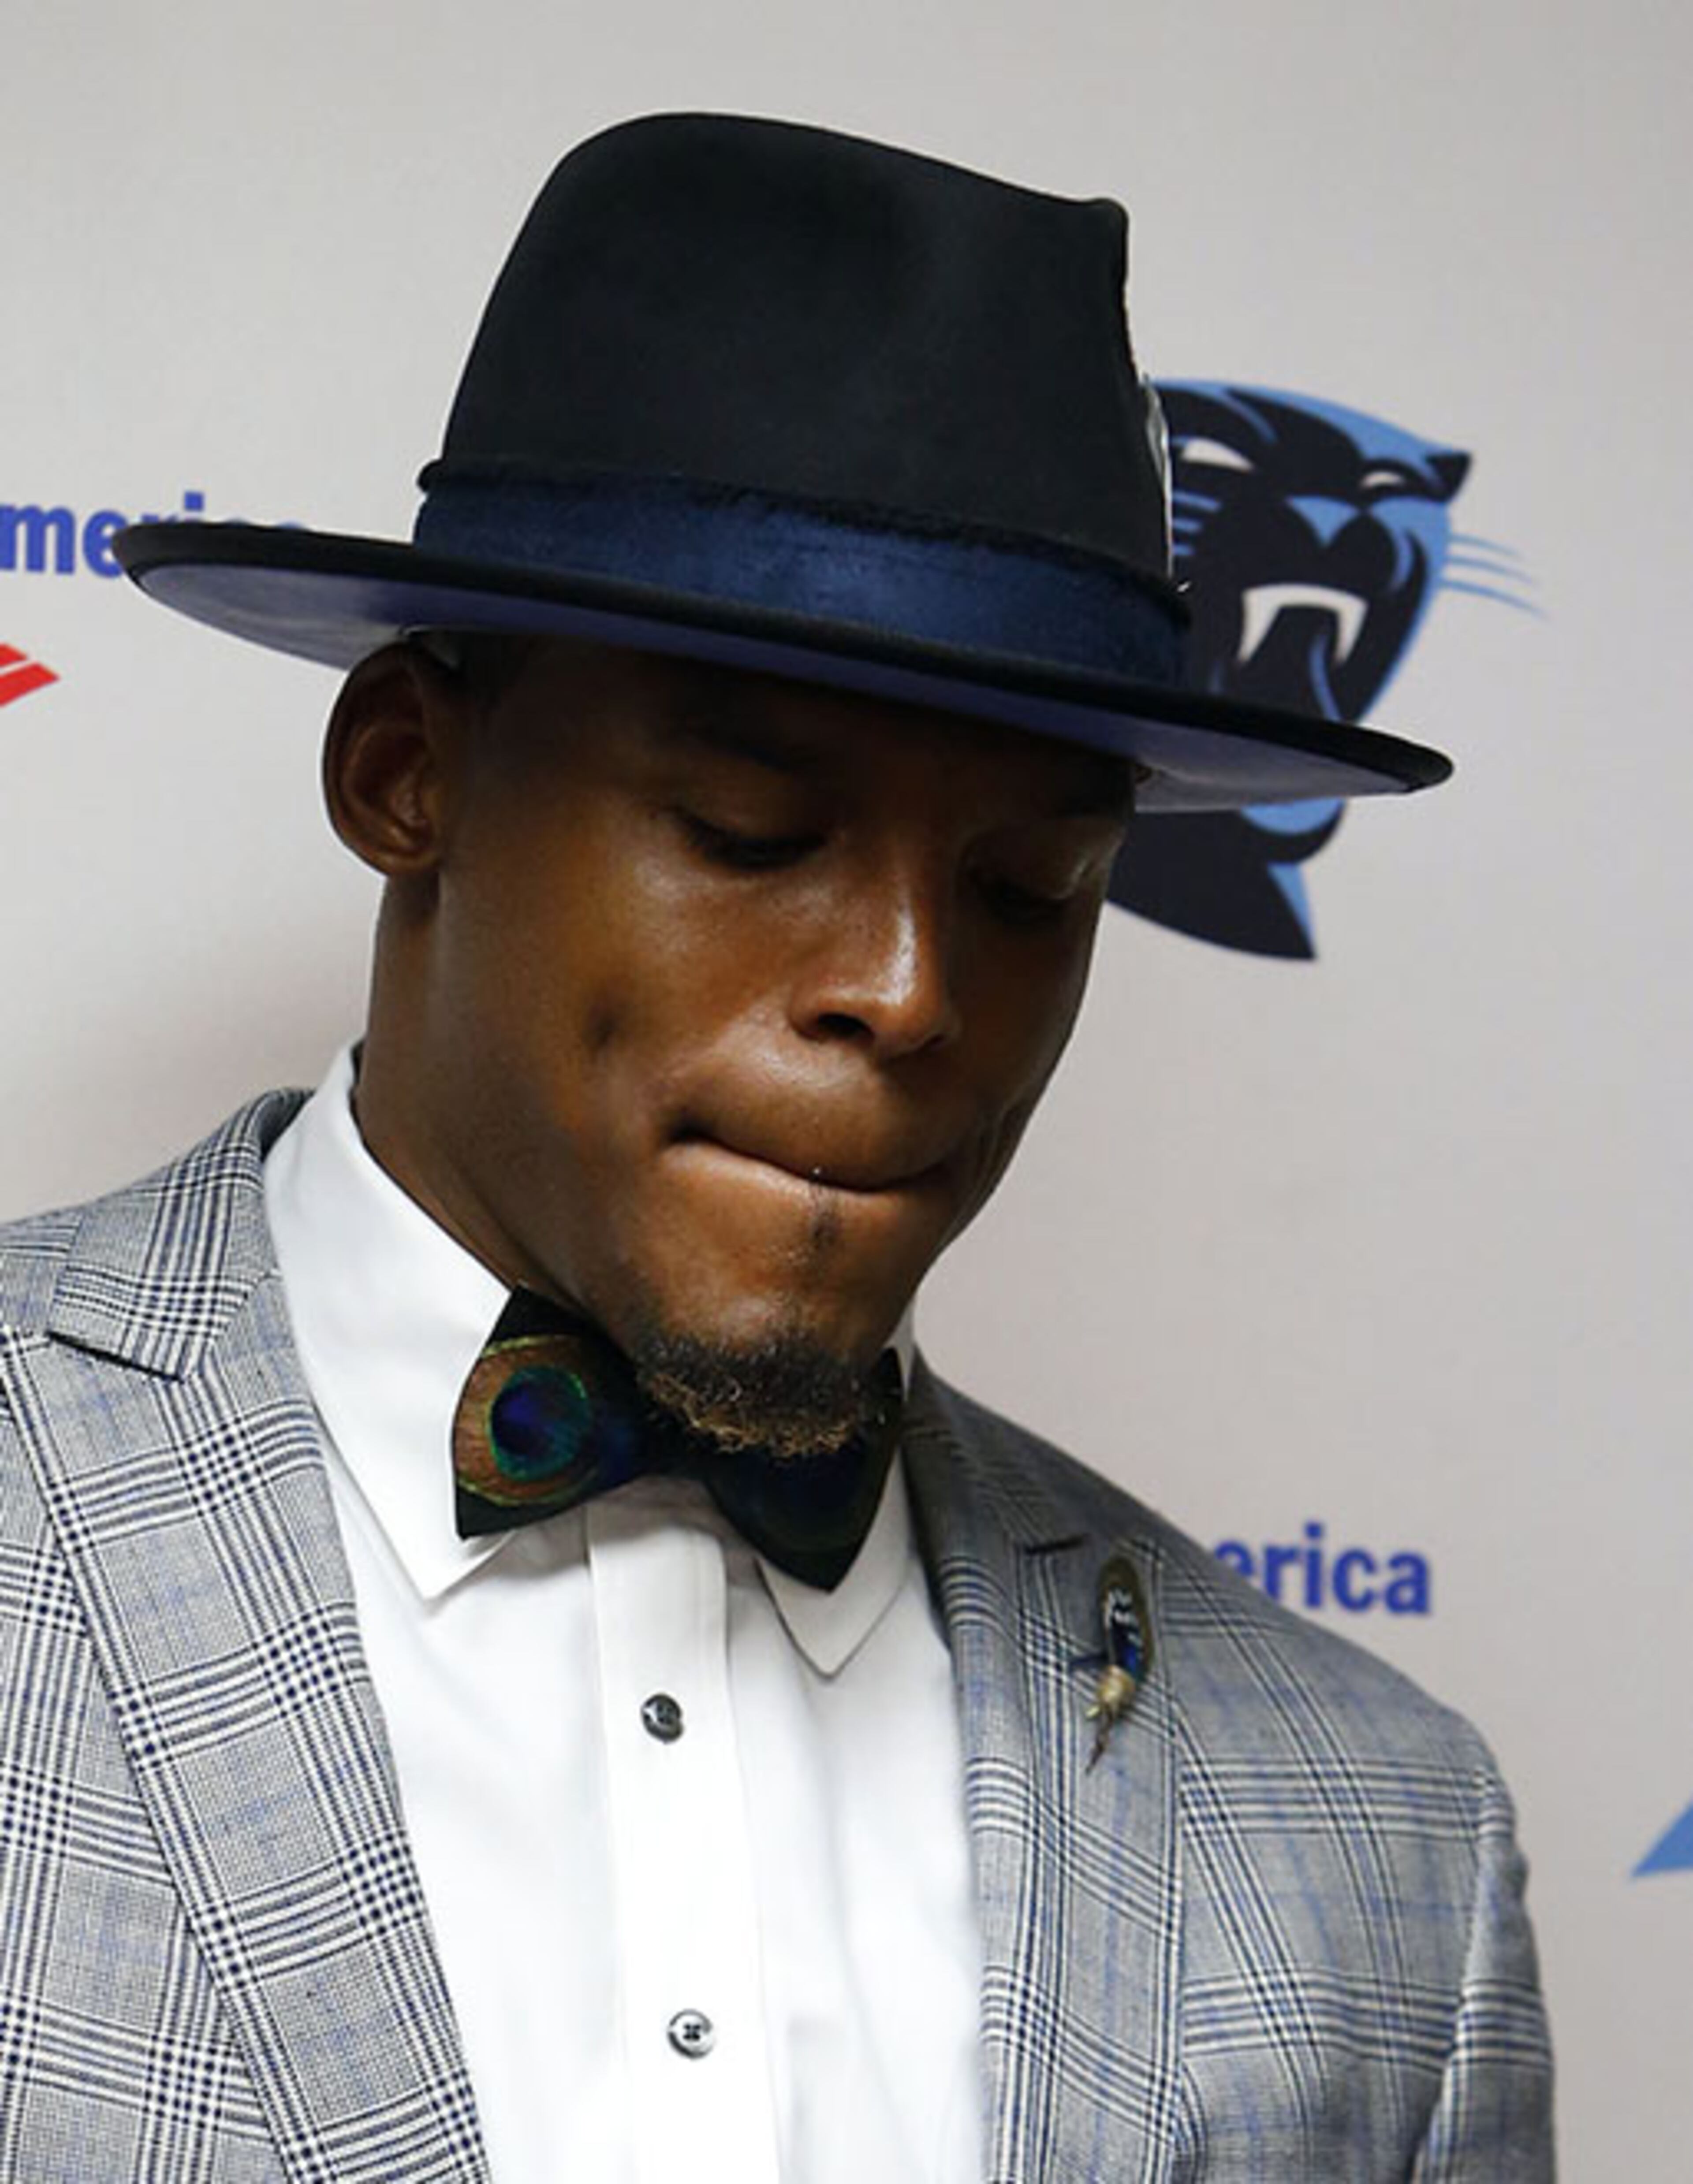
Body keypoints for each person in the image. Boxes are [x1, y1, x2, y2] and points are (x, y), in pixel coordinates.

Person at [0, 114, 1551, 2181]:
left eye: (1030, 886)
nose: (914, 992)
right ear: (403, 776)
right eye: (751, 832)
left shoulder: (1389, 1849)